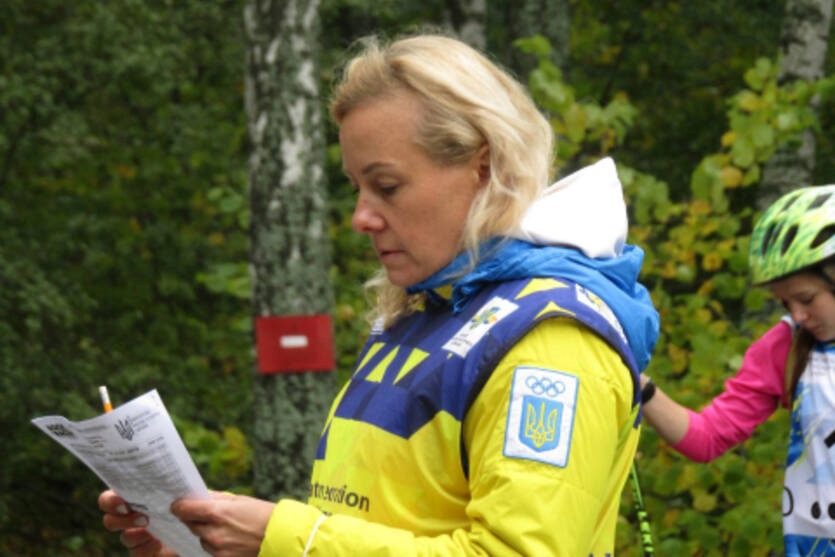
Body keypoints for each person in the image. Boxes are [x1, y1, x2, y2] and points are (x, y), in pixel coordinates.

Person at [99, 32, 659, 556]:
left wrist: (287, 540)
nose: (360, 217)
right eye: (356, 187)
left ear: (483, 167)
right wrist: (216, 541)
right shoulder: (426, 312)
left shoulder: (548, 341)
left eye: (386, 186)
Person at [639, 184, 835, 556]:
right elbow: (706, 437)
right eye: (785, 302)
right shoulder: (787, 347)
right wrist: (639, 385)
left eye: (807, 298)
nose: (797, 315)